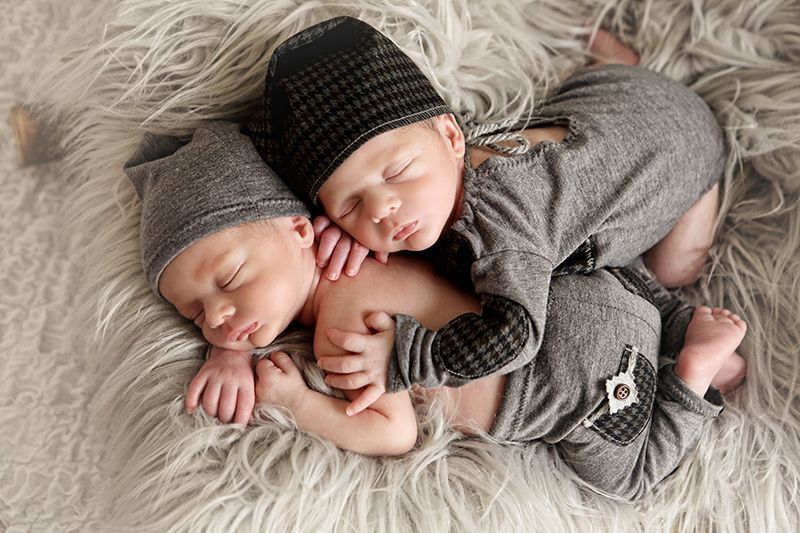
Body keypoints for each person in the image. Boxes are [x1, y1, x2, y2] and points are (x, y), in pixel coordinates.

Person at [123, 120, 746, 500]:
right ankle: (678, 323)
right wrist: (227, 344)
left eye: (229, 280)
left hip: (575, 377)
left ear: (303, 229)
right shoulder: (362, 237)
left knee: (627, 479)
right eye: (194, 312)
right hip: (588, 290)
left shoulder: (345, 324)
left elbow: (394, 433)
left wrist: (296, 404)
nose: (220, 317)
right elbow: (247, 281)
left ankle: (690, 377)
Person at [247, 16, 737, 414]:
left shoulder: (504, 227)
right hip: (610, 97)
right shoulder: (437, 162)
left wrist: (405, 357)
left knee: (675, 270)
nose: (382, 208)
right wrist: (340, 227)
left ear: (452, 136)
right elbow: (378, 181)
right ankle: (619, 68)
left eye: (396, 172)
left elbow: (515, 335)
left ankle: (642, 91)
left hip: (683, 145)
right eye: (350, 203)